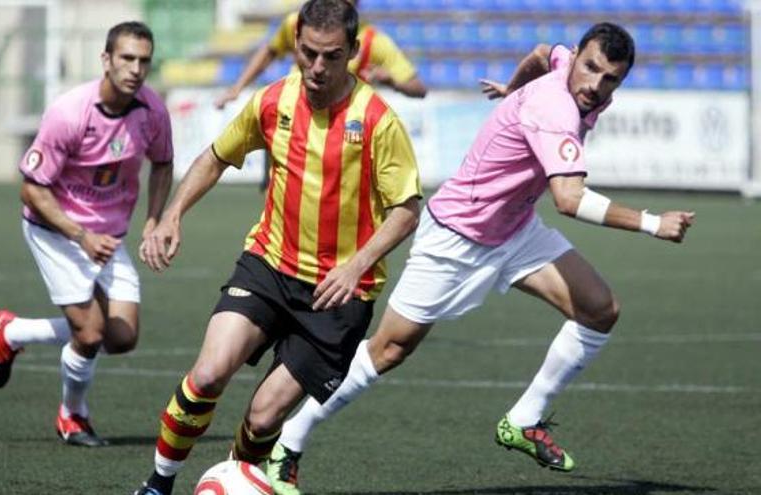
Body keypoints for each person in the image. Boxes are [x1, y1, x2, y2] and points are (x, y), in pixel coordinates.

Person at [264, 22, 696, 495]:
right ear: (576, 57)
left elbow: (539, 52)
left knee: (599, 310)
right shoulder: (554, 107)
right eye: (590, 68)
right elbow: (569, 200)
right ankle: (291, 439)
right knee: (389, 349)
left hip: (514, 228)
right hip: (457, 234)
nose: (595, 84)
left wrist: (512, 91)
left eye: (611, 78)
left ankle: (524, 420)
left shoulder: (567, 71)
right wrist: (654, 223)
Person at [133, 1, 421, 494]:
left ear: (352, 51)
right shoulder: (272, 101)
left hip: (338, 296)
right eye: (307, 53)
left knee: (264, 419)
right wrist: (174, 213)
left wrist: (356, 266)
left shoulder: (377, 120)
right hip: (268, 265)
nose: (317, 67)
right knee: (207, 375)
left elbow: (408, 208)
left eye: (331, 56)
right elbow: (216, 156)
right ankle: (158, 486)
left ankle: (234, 479)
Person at [0, 21, 174, 447]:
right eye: (126, 58)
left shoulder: (152, 111)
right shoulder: (70, 112)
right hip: (55, 230)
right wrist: (80, 235)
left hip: (109, 235)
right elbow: (32, 189)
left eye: (144, 60)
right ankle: (73, 416)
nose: (135, 68)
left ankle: (12, 333)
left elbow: (163, 163)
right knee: (89, 333)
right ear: (106, 60)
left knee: (121, 338)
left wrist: (154, 219)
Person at [214, 0, 427, 111]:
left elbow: (419, 89)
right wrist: (237, 89)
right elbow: (270, 51)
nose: (317, 66)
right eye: (309, 52)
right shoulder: (299, 24)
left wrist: (391, 81)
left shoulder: (375, 41)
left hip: (341, 130)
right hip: (289, 117)